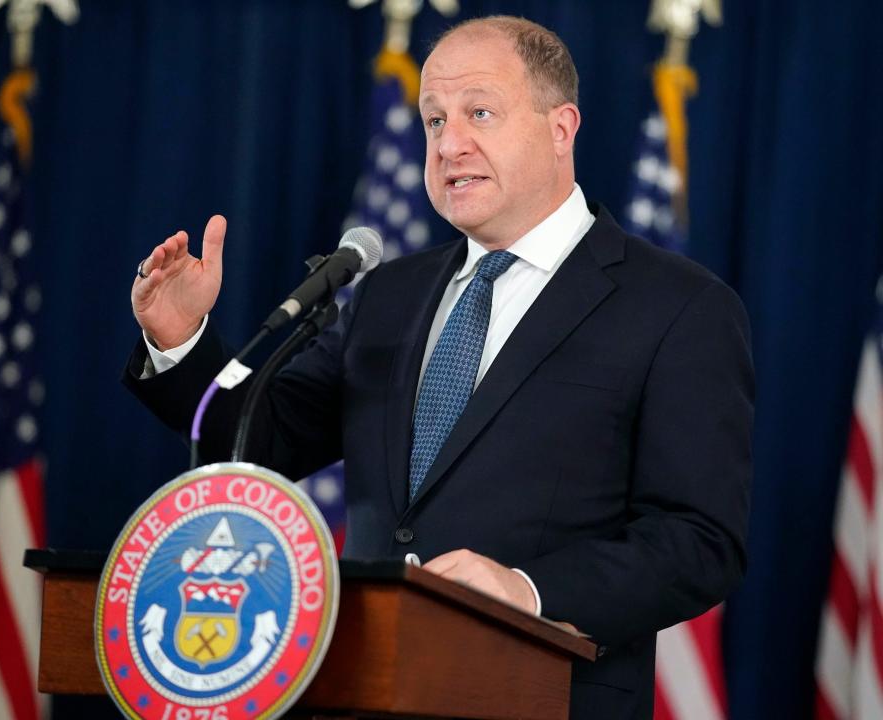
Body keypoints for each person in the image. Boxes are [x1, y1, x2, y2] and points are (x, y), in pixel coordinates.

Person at [125, 16, 752, 719]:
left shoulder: (678, 307)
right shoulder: (387, 295)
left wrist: (528, 591)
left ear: (560, 127)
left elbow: (698, 543)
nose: (450, 144)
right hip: (363, 691)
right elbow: (254, 446)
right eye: (433, 120)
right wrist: (179, 341)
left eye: (479, 112)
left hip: (544, 696)